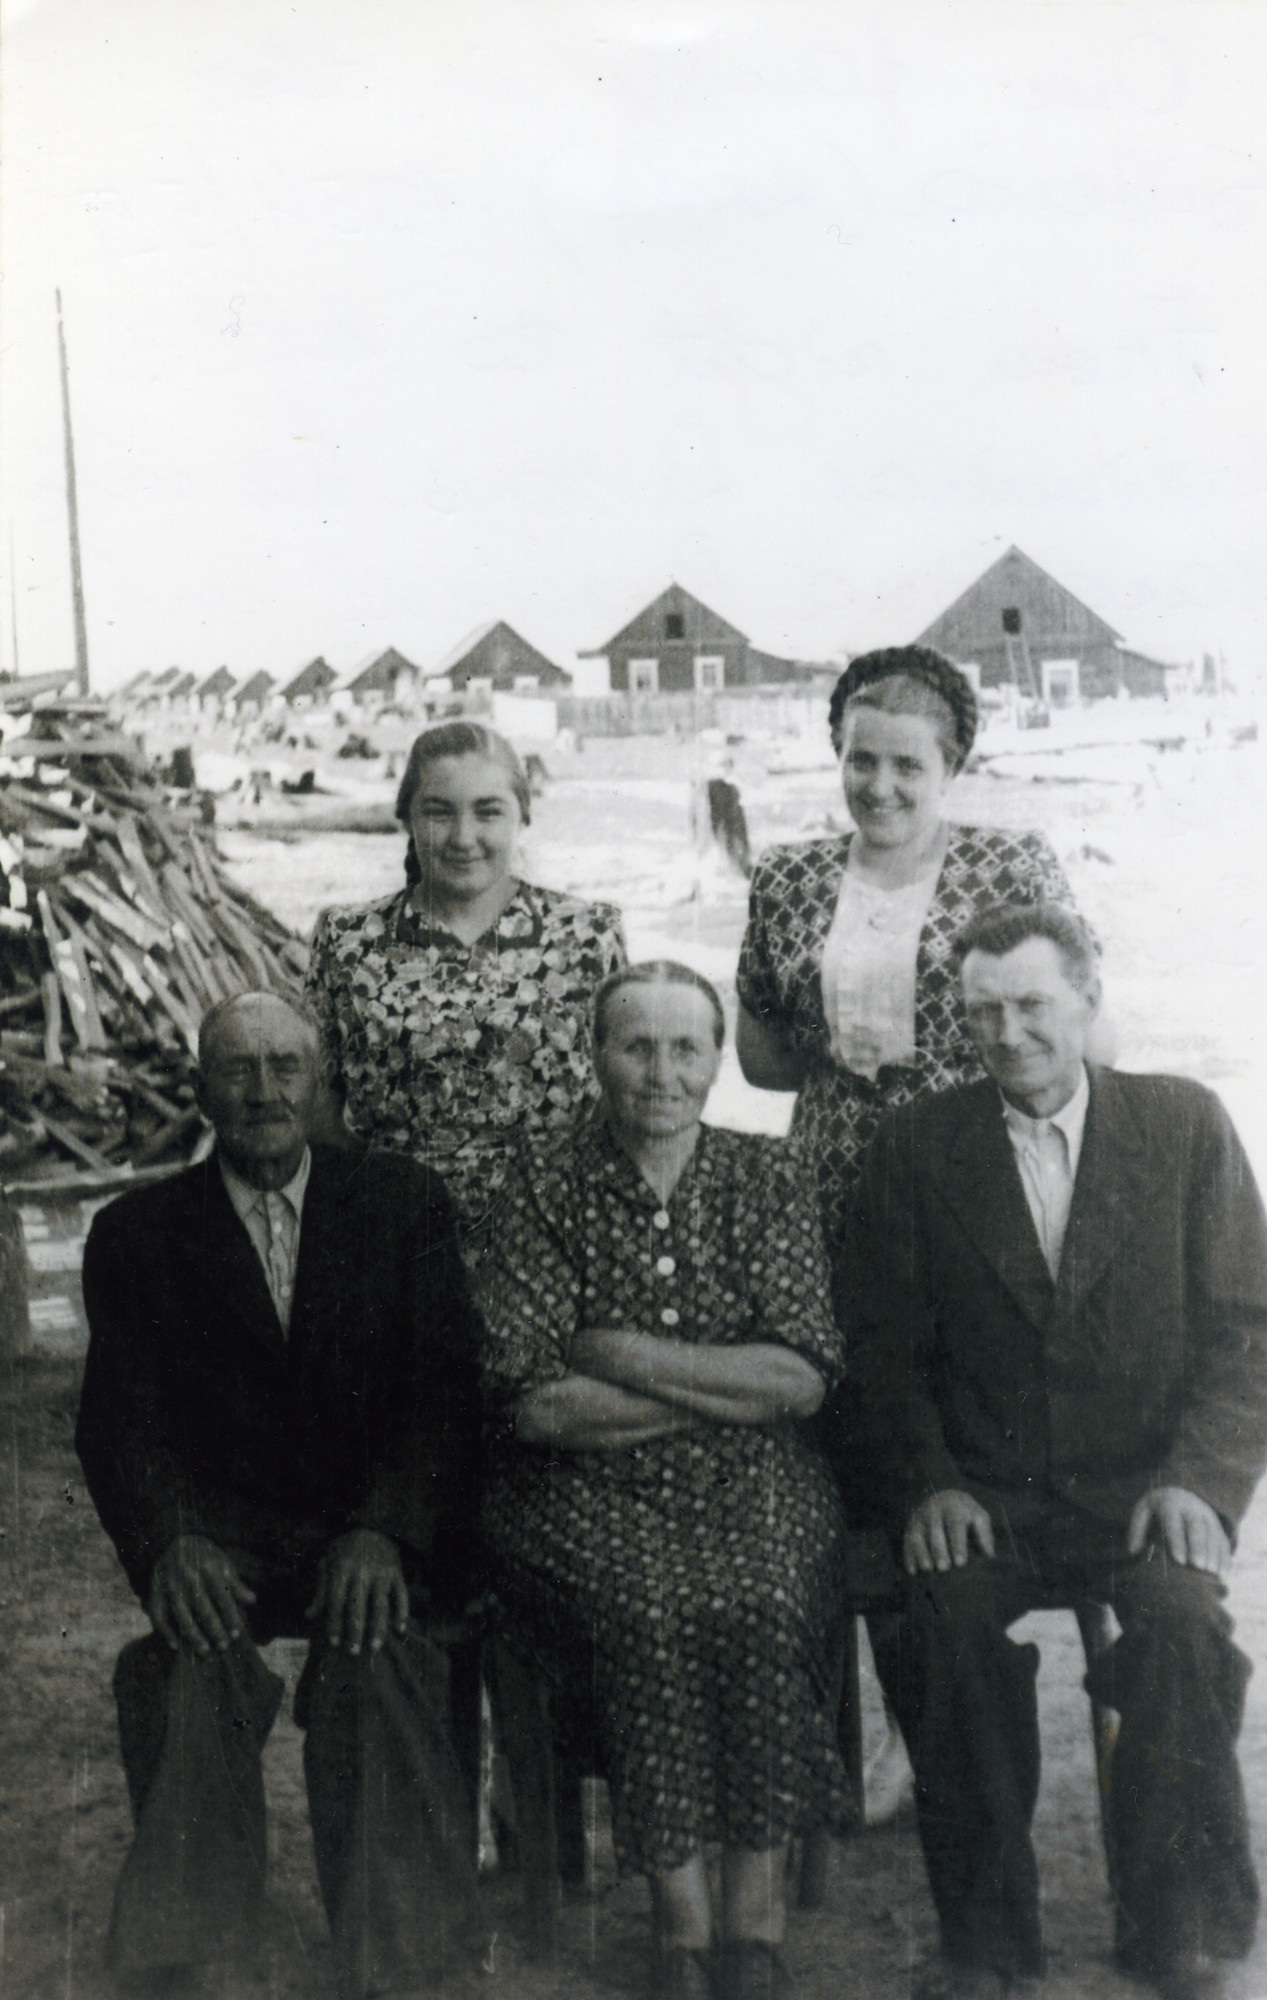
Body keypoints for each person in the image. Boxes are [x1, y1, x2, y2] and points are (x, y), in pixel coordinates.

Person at [832, 904, 1267, 2000]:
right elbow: (877, 1348)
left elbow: (1253, 1332)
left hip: (1141, 1489)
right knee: (937, 1619)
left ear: (1087, 999)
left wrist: (1200, 1480)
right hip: (985, 1494)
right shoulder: (917, 1144)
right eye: (981, 1011)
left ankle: (1171, 1920)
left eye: (1031, 1003)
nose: (1007, 1032)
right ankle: (986, 1941)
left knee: (1181, 1619)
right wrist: (928, 1484)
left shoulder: (1183, 1125)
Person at [77, 992, 484, 2000]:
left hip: (362, 1527)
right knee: (183, 1668)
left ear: (320, 1078)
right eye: (237, 1069)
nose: (262, 1090)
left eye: (284, 1066)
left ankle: (397, 1955)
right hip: (224, 1535)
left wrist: (386, 1527)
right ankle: (194, 1950)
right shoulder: (137, 1232)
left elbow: (444, 1393)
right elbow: (119, 1418)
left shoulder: (400, 1204)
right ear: (202, 1086)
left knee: (378, 1652)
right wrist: (170, 1537)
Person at [479, 962, 850, 2000]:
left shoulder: (764, 1178)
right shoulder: (538, 1181)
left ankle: (754, 1922)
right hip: (578, 1485)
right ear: (592, 1054)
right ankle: (681, 1930)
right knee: (647, 1602)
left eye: (685, 1046)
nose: (661, 1070)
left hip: (756, 1479)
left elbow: (801, 1376)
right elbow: (534, 1400)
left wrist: (622, 1353)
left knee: (765, 1596)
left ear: (717, 1055)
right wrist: (722, 1386)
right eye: (634, 1044)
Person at [735, 645, 1086, 1259]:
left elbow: (1085, 1038)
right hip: (830, 1182)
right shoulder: (786, 877)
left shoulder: (1013, 868)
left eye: (908, 766)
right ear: (838, 758)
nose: (881, 786)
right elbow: (761, 1059)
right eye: (861, 761)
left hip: (980, 1173)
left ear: (950, 769)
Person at [303, 720, 626, 1251]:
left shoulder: (588, 935)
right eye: (438, 811)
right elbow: (318, 1105)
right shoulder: (347, 939)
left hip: (556, 1240)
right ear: (406, 818)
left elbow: (621, 1101)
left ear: (524, 814)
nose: (463, 837)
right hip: (394, 1241)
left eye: (488, 811)